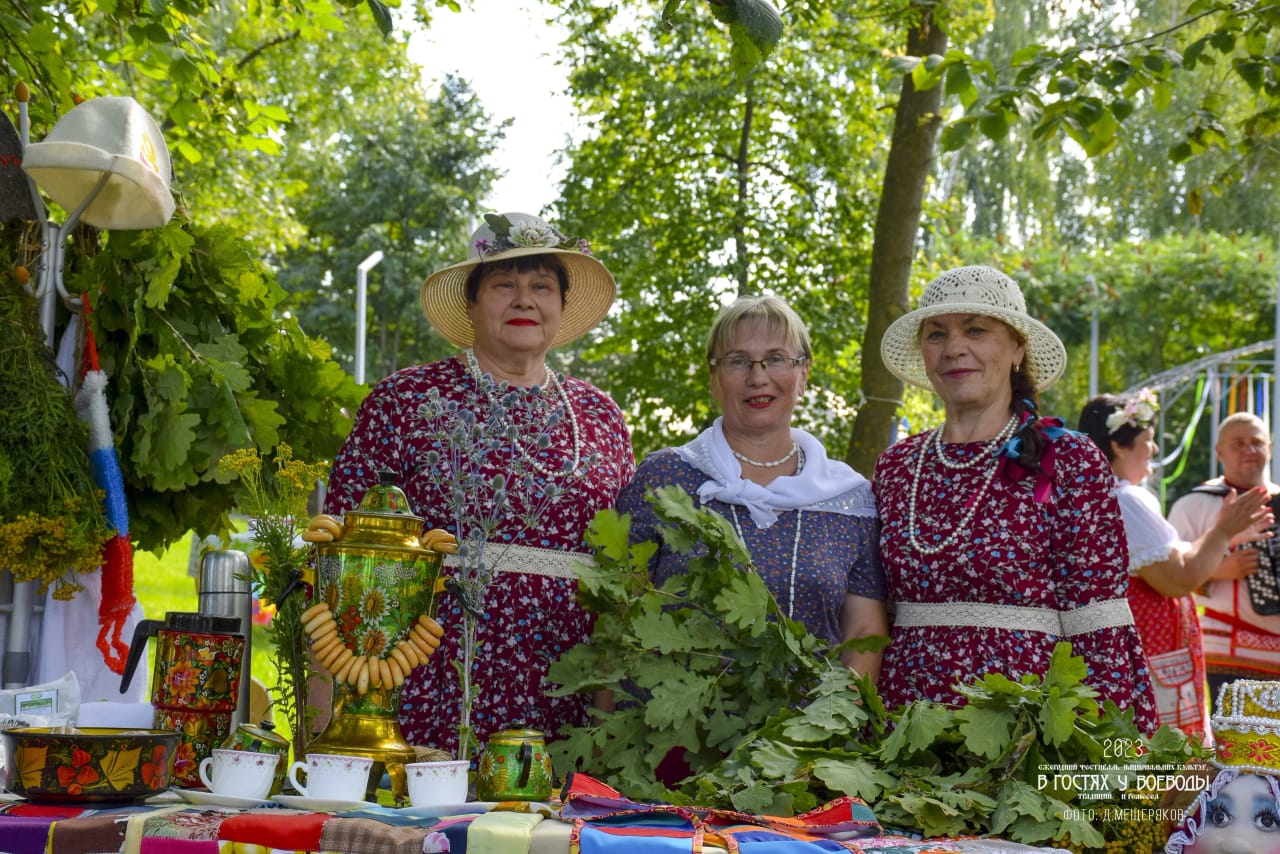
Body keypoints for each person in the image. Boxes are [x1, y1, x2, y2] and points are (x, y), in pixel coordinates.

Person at [319, 211, 635, 754]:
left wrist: (608, 718)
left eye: (541, 286)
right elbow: (335, 560)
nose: (524, 300)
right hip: (432, 678)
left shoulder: (601, 416)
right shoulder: (406, 401)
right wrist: (323, 716)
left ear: (560, 306)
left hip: (568, 686)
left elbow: (623, 571)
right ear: (471, 304)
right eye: (503, 285)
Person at [873, 264, 1158, 730]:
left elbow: (1099, 619)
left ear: (1018, 349)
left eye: (976, 330)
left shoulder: (1067, 458)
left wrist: (1115, 763)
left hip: (1026, 732)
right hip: (908, 725)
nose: (954, 349)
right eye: (936, 334)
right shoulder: (897, 466)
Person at [616, 295, 888, 678]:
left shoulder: (849, 498)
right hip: (673, 727)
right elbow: (621, 613)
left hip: (806, 732)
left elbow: (863, 631)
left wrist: (837, 728)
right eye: (738, 361)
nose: (758, 377)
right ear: (714, 379)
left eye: (776, 359)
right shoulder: (665, 478)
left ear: (803, 374)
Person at [1077, 392, 1271, 739]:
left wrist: (1226, 534)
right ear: (1120, 447)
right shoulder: (1126, 499)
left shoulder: (1100, 494)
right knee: (1164, 766)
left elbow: (1175, 557)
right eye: (1148, 441)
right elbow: (1180, 578)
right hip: (1150, 653)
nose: (1153, 450)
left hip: (1133, 651)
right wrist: (1225, 530)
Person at [1168, 412, 1280, 697]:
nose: (1249, 450)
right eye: (1238, 443)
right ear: (1219, 451)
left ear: (1270, 446)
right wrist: (1220, 569)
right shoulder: (1192, 504)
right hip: (1227, 648)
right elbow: (1164, 578)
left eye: (1256, 442)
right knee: (1238, 740)